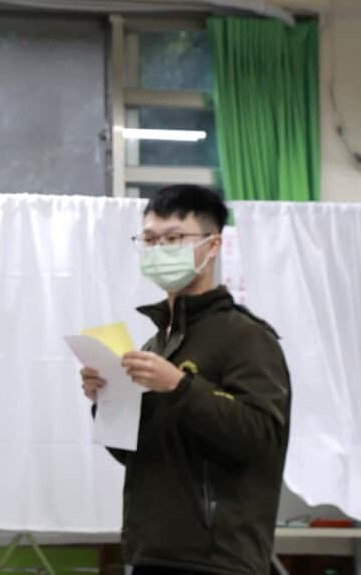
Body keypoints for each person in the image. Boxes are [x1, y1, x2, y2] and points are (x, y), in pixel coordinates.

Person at [82, 185, 291, 575]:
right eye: (149, 239)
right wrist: (107, 400)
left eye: (174, 238)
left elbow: (261, 438)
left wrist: (179, 386)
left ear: (212, 246)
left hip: (218, 558)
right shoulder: (155, 343)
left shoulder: (246, 337)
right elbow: (135, 454)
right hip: (152, 549)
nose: (159, 249)